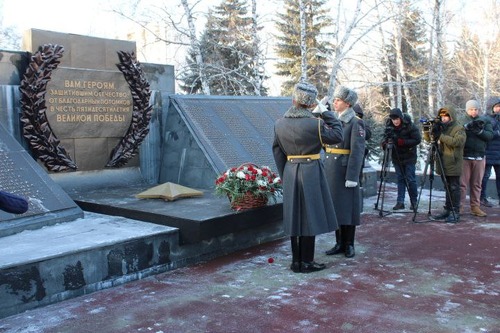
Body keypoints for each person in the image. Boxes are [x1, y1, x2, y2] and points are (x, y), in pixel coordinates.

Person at [272, 81, 343, 273]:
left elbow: (277, 152)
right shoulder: (316, 123)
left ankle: (296, 262)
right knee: (309, 217)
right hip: (311, 171)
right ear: (311, 103)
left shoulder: (279, 123)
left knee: (294, 217)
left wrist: (285, 173)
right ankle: (307, 262)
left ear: (294, 99)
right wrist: (325, 111)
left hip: (290, 170)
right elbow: (338, 134)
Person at [323, 86, 365, 258]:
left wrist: (352, 176)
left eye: (338, 100)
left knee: (347, 209)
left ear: (347, 103)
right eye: (334, 100)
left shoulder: (355, 122)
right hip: (331, 169)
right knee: (336, 209)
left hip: (345, 170)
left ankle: (349, 244)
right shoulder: (334, 120)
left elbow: (357, 151)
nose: (334, 102)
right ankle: (339, 242)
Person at [423, 106, 466, 223]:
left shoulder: (458, 128)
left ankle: (455, 211)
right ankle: (448, 209)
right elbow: (429, 140)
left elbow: (458, 142)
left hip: (453, 162)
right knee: (447, 187)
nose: (443, 118)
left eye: (446, 116)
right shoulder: (441, 127)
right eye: (442, 116)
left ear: (451, 116)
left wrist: (440, 135)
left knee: (454, 187)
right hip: (442, 162)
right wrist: (427, 130)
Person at [381, 108, 421, 211]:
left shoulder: (409, 125)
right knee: (400, 179)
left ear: (401, 118)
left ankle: (414, 201)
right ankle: (400, 202)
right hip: (396, 156)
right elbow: (384, 138)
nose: (395, 121)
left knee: (410, 179)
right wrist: (385, 144)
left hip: (409, 156)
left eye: (397, 119)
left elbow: (417, 139)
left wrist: (402, 142)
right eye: (393, 119)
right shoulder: (389, 126)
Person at [460, 99, 493, 217]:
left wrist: (479, 131)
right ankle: (459, 207)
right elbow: (457, 134)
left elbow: (490, 136)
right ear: (467, 109)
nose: (473, 112)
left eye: (475, 109)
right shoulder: (461, 120)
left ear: (478, 110)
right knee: (462, 184)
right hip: (464, 156)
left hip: (479, 156)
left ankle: (475, 207)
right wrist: (465, 128)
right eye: (471, 109)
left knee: (476, 184)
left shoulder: (484, 120)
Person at [480, 96, 500, 207]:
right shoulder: (485, 119)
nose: (499, 109)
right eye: (497, 107)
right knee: (485, 176)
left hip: (498, 153)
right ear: (491, 107)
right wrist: (497, 134)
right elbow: (484, 134)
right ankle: (482, 198)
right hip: (488, 152)